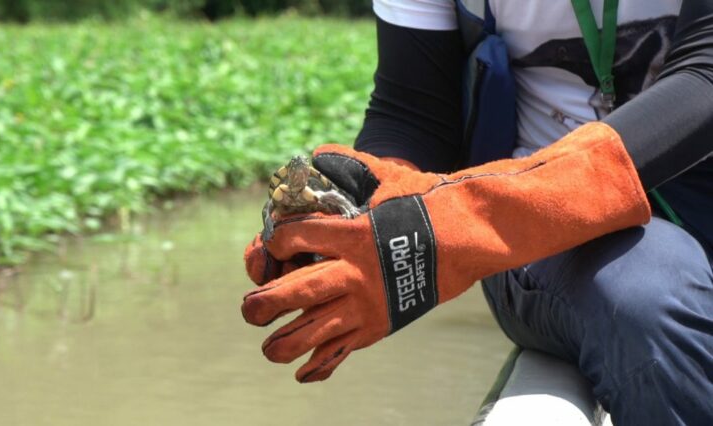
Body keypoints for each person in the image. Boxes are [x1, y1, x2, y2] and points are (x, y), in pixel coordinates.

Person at [241, 0, 713, 424]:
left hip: (520, 207)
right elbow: (414, 111)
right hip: (545, 245)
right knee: (649, 296)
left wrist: (465, 219)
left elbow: (705, 77)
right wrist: (367, 202)